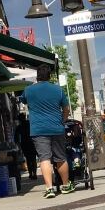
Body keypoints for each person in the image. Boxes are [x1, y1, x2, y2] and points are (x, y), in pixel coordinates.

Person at [22, 64, 75, 198]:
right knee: (60, 157)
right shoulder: (58, 90)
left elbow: (22, 100)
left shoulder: (28, 90)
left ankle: (49, 188)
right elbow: (66, 109)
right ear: (49, 76)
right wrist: (62, 120)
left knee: (44, 158)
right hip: (56, 128)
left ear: (37, 76)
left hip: (38, 130)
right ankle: (65, 185)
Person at [15, 113, 38, 180]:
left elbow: (16, 138)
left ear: (19, 119)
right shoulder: (30, 124)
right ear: (25, 117)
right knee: (33, 159)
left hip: (24, 144)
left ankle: (31, 174)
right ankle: (34, 173)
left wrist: (18, 145)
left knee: (28, 159)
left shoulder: (19, 127)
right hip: (32, 143)